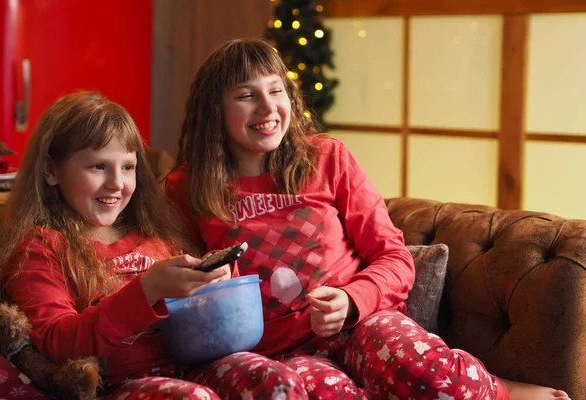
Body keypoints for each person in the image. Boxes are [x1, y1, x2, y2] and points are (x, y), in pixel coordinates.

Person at [165, 38, 572, 400]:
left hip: (364, 323)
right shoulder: (186, 188)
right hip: (281, 354)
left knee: (430, 376)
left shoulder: (328, 158)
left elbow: (394, 258)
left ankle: (501, 391)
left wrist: (350, 300)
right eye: (246, 95)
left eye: (276, 91)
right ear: (213, 110)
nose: (268, 106)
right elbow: (172, 287)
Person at [0, 91, 233, 399]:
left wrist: (211, 284)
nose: (117, 183)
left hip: (195, 367)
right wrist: (147, 289)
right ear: (51, 170)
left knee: (266, 374)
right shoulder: (38, 247)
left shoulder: (154, 238)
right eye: (99, 167)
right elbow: (57, 344)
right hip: (124, 385)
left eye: (128, 167)